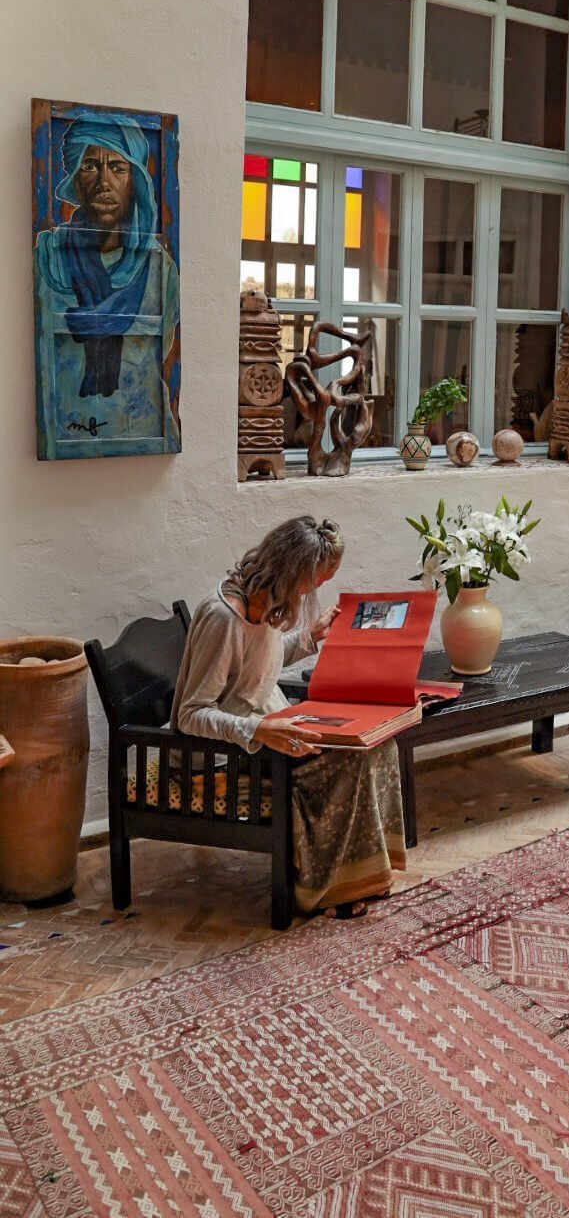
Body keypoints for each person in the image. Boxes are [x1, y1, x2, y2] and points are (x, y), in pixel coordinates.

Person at [171, 516, 406, 916]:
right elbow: (190, 715)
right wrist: (259, 727)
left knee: (378, 744)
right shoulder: (224, 618)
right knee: (347, 765)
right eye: (312, 584)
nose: (312, 592)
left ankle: (358, 877)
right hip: (222, 755)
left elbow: (256, 669)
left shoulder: (261, 602)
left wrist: (308, 638)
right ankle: (322, 888)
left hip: (263, 731)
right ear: (292, 573)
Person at [33, 114, 180, 443]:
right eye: (90, 166)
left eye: (117, 167)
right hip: (66, 435)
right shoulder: (48, 256)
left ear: (134, 181)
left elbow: (162, 356)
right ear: (75, 178)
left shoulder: (160, 269)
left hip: (143, 433)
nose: (104, 181)